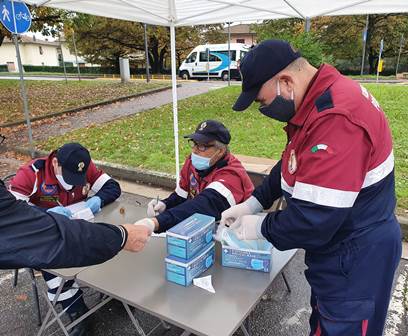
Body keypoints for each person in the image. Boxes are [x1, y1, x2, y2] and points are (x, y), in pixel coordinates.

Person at [220, 40, 402, 336]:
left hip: (356, 257)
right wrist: (254, 202)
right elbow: (294, 161)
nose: (263, 109)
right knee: (325, 321)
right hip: (341, 247)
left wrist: (259, 227)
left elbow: (313, 220)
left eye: (262, 101)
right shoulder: (319, 99)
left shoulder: (335, 118)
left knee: (343, 327)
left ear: (286, 82)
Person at [9, 142, 122, 336]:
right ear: (55, 163)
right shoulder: (32, 173)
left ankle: (113, 291)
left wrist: (98, 199)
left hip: (80, 226)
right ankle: (76, 310)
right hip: (44, 233)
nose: (74, 182)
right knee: (53, 260)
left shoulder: (83, 165)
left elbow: (112, 187)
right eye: (69, 176)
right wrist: (44, 213)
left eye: (78, 178)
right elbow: (11, 210)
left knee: (112, 240)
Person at [134, 120, 254, 233]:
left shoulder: (231, 176)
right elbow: (182, 194)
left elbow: (201, 206)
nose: (195, 150)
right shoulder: (192, 163)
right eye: (194, 144)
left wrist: (156, 223)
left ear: (221, 151)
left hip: (234, 235)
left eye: (202, 146)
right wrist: (166, 204)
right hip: (205, 228)